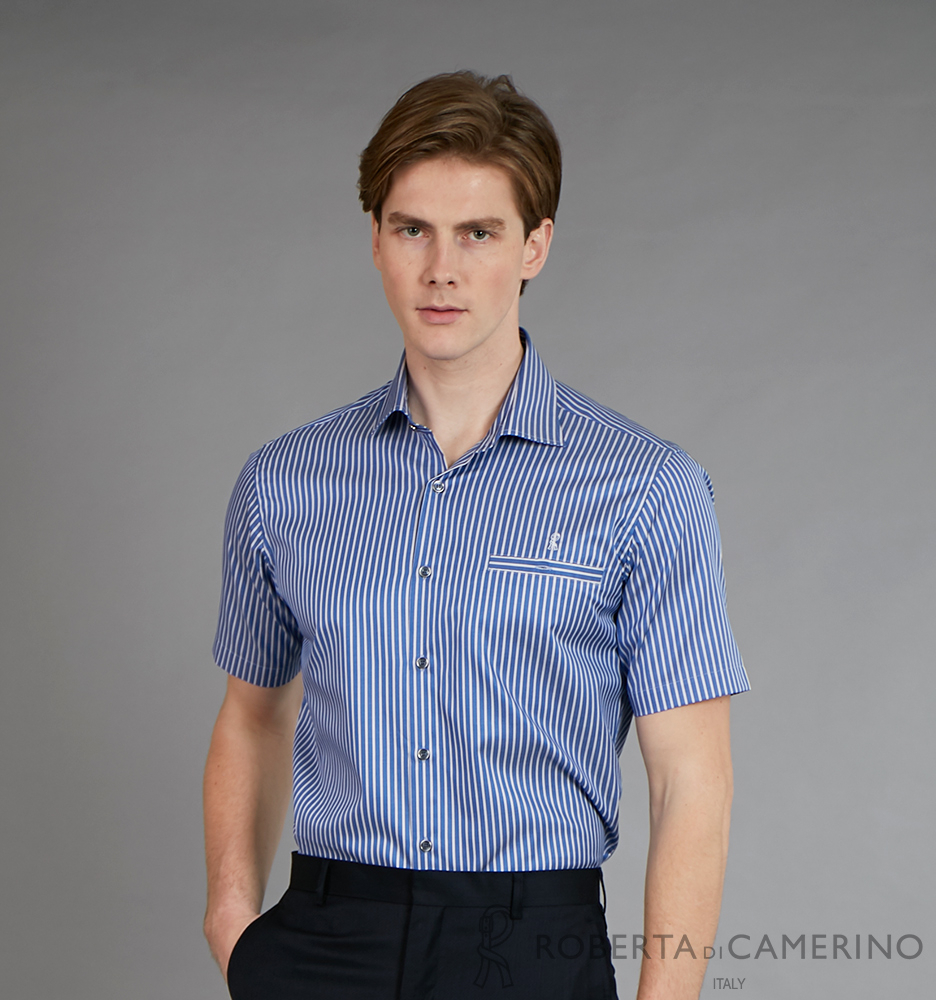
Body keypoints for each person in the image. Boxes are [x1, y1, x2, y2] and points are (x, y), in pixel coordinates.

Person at [203, 71, 750, 1000]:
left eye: (479, 233)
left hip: (530, 947)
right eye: (412, 229)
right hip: (329, 939)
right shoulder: (285, 481)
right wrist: (231, 919)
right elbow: (252, 714)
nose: (441, 269)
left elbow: (690, 777)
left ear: (536, 245)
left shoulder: (647, 488)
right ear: (375, 239)